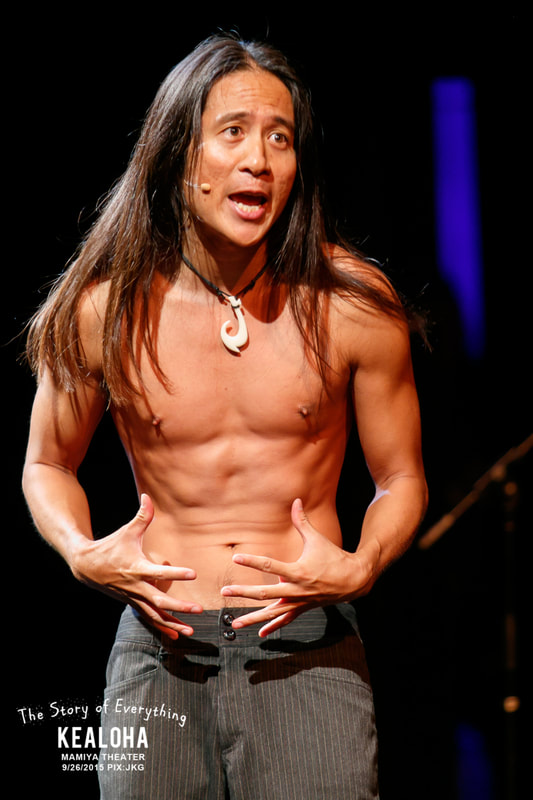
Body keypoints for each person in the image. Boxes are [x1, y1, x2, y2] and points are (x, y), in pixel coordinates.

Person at [23, 34, 427, 799]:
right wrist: (80, 551)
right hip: (161, 646)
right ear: (179, 153)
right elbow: (47, 462)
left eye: (279, 137)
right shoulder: (104, 310)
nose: (259, 160)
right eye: (233, 132)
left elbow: (400, 476)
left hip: (304, 645)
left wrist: (363, 563)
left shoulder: (352, 303)